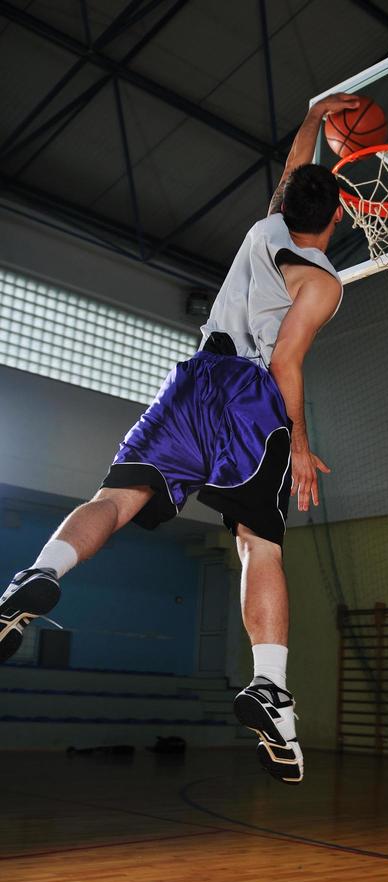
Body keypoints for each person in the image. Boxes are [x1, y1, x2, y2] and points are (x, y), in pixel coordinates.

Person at [0, 92, 359, 784]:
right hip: (253, 399)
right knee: (258, 543)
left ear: (286, 204)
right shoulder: (322, 282)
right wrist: (302, 442)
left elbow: (292, 170)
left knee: (119, 495)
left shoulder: (263, 230)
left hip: (193, 380)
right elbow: (285, 362)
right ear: (339, 216)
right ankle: (270, 688)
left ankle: (37, 576)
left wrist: (314, 116)